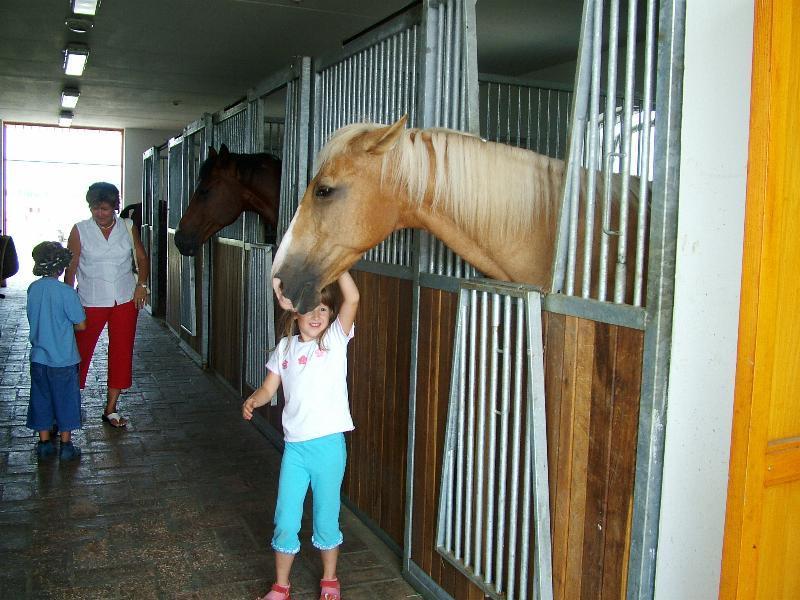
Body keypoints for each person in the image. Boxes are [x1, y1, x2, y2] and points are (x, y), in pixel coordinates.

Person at [242, 272, 360, 600]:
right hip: (295, 449)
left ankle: (329, 580)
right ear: (295, 313)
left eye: (323, 309)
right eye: (309, 309)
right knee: (286, 516)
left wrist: (338, 266)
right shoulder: (285, 348)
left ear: (332, 316)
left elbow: (352, 299)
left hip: (329, 446)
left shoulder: (335, 341)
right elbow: (269, 388)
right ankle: (281, 585)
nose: (316, 316)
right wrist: (255, 399)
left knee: (326, 514)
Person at [64, 182, 150, 428]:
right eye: (94, 208)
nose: (99, 213)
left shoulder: (127, 226)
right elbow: (71, 267)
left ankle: (111, 408)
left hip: (124, 298)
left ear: (114, 207)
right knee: (78, 353)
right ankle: (67, 406)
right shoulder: (80, 230)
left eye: (104, 208)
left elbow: (142, 258)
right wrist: (67, 300)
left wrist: (141, 284)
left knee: (122, 351)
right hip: (90, 299)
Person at [26, 241, 87, 461]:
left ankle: (43, 444)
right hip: (64, 359)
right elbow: (81, 325)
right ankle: (66, 445)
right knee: (65, 399)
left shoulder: (33, 289)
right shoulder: (66, 293)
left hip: (39, 358)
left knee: (41, 398)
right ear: (61, 268)